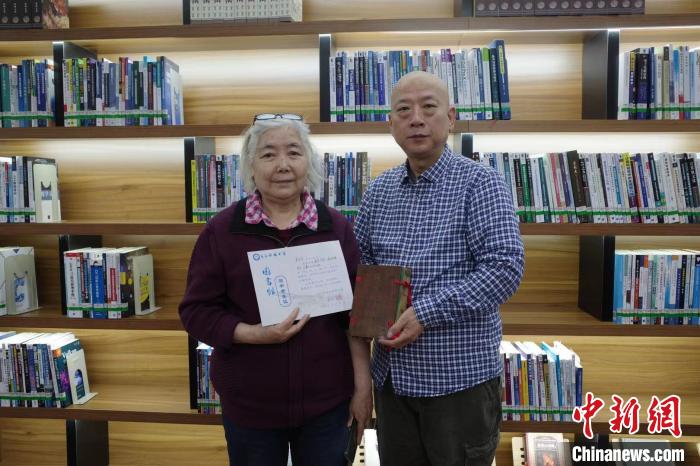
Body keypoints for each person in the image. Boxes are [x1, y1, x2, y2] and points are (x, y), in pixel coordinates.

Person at [179, 113, 372, 466]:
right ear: (251, 166)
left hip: (328, 406)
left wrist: (363, 388)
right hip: (250, 406)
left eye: (294, 153)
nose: (283, 165)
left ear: (308, 162)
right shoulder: (222, 231)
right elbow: (195, 312)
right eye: (268, 154)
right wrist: (254, 334)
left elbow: (354, 319)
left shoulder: (336, 228)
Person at [354, 71, 525, 466]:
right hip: (393, 383)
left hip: (458, 385)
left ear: (450, 117)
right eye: (404, 110)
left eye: (428, 108)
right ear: (390, 124)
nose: (416, 119)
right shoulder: (378, 192)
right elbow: (363, 273)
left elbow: (505, 268)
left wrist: (425, 314)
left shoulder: (481, 183)